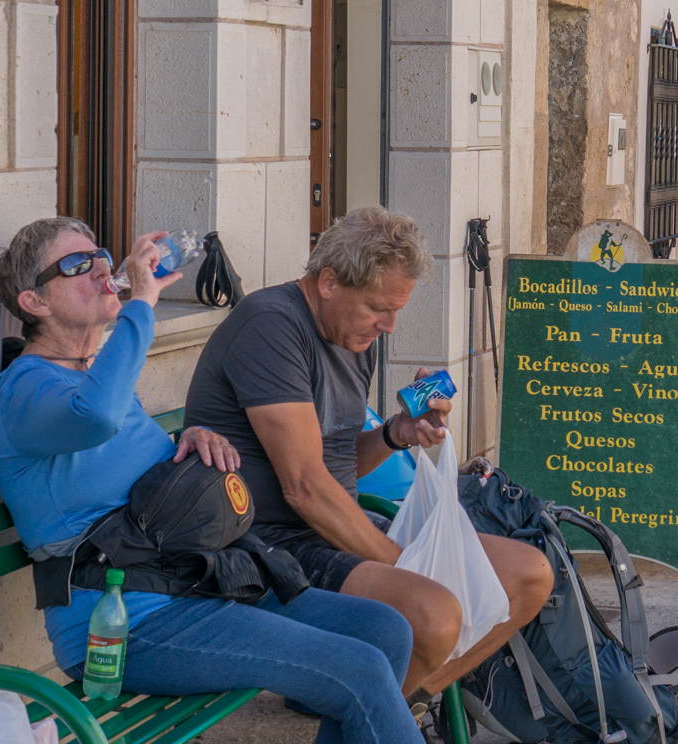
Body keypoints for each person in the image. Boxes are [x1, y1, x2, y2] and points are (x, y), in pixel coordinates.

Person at [0, 217, 422, 744]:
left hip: (198, 580)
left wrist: (191, 441)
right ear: (34, 303)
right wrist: (141, 305)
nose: (103, 268)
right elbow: (95, 417)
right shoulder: (21, 390)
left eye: (101, 255)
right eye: (78, 266)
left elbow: (122, 460)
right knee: (357, 669)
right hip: (127, 621)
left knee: (385, 630)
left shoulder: (94, 377)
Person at [183, 206, 553, 707]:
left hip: (335, 530)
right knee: (434, 613)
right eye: (379, 308)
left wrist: (397, 434)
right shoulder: (271, 325)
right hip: (267, 549)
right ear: (329, 282)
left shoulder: (353, 336)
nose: (390, 326)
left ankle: (391, 702)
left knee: (530, 575)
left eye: (398, 310)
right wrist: (408, 569)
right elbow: (305, 487)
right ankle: (368, 705)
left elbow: (335, 463)